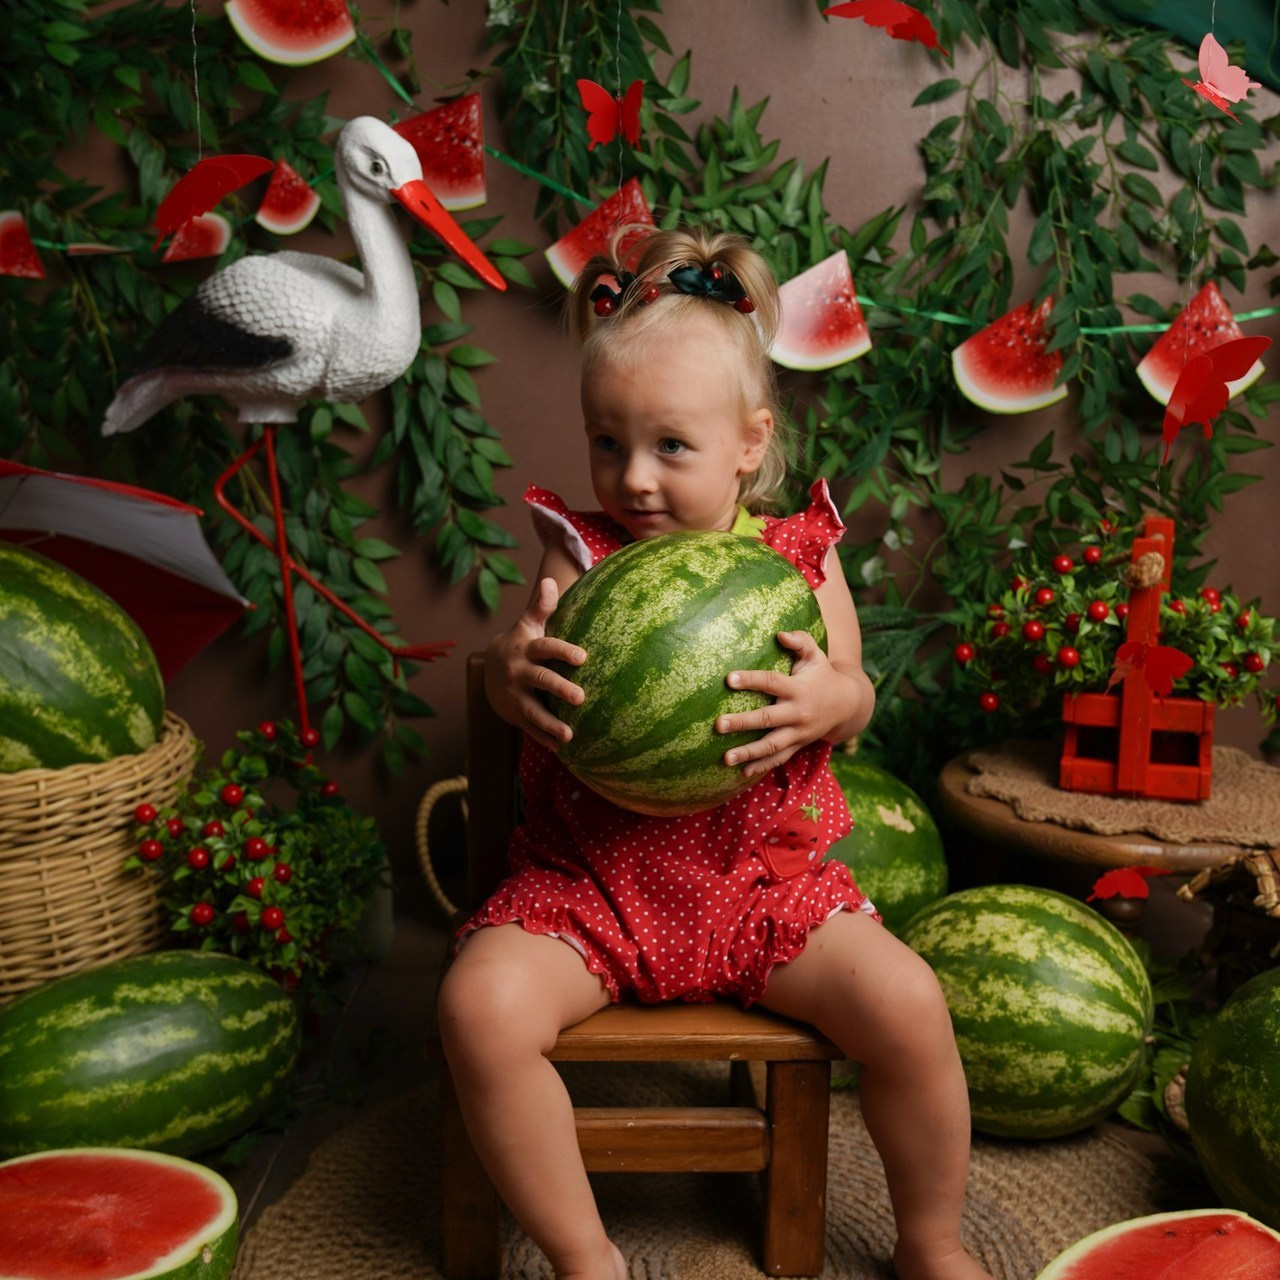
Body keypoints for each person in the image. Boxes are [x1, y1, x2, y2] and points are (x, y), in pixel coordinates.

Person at [437, 226, 992, 1280]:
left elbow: (855, 697)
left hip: (762, 891)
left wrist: (830, 697)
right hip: (590, 890)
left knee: (912, 1004)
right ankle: (585, 1256)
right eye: (608, 443)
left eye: (671, 447)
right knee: (478, 1008)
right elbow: (521, 679)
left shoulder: (796, 558)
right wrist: (513, 676)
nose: (633, 478)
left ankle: (931, 1239)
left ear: (748, 442)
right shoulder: (578, 552)